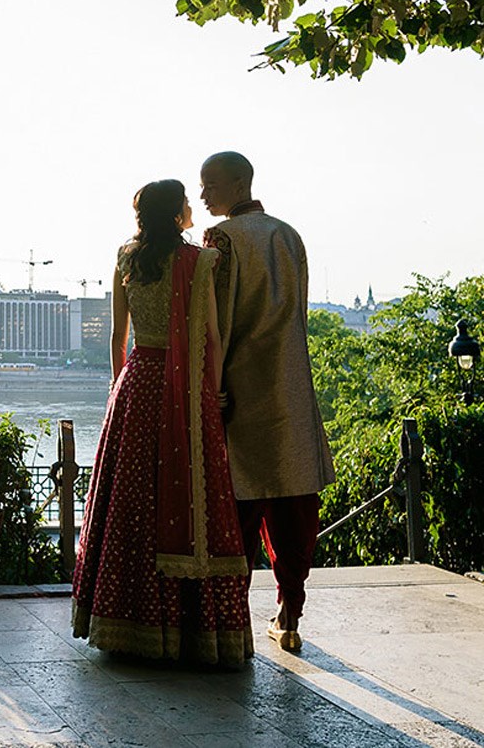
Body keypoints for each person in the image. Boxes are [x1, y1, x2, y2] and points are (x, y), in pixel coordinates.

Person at [72, 179, 252, 667]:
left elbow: (117, 337)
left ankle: (126, 618)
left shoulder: (126, 258)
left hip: (137, 384)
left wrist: (117, 392)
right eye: (186, 204)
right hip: (185, 391)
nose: (194, 207)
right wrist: (210, 392)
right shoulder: (199, 263)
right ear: (176, 214)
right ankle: (194, 630)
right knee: (194, 497)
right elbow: (211, 335)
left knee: (132, 502)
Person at [199, 151, 334, 654]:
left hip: (241, 388)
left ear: (238, 183)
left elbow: (217, 322)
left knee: (237, 509)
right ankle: (289, 614)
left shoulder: (221, 241)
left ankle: (234, 620)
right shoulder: (288, 234)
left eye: (210, 185)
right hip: (291, 383)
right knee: (293, 504)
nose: (203, 196)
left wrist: (212, 384)